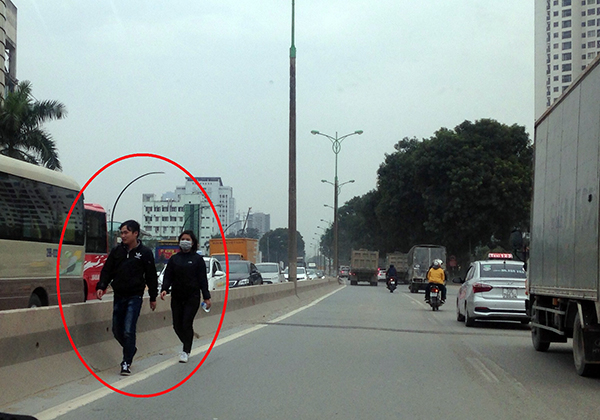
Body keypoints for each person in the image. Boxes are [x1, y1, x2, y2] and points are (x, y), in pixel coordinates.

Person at [96, 220, 158, 376]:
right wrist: (101, 286)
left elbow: (151, 276)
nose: (123, 236)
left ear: (135, 233)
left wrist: (153, 296)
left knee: (129, 329)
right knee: (117, 330)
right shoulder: (117, 252)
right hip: (119, 295)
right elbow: (107, 270)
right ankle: (130, 349)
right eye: (121, 233)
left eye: (126, 232)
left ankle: (126, 362)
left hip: (135, 296)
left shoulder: (145, 253)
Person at [160, 230, 211, 363]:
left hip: (192, 297)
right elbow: (168, 276)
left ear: (193, 242)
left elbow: (202, 280)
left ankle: (186, 350)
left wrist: (206, 297)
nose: (185, 242)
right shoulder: (174, 259)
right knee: (177, 326)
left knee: (186, 322)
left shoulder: (197, 260)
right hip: (177, 296)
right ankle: (187, 340)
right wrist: (164, 289)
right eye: (183, 239)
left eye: (188, 239)